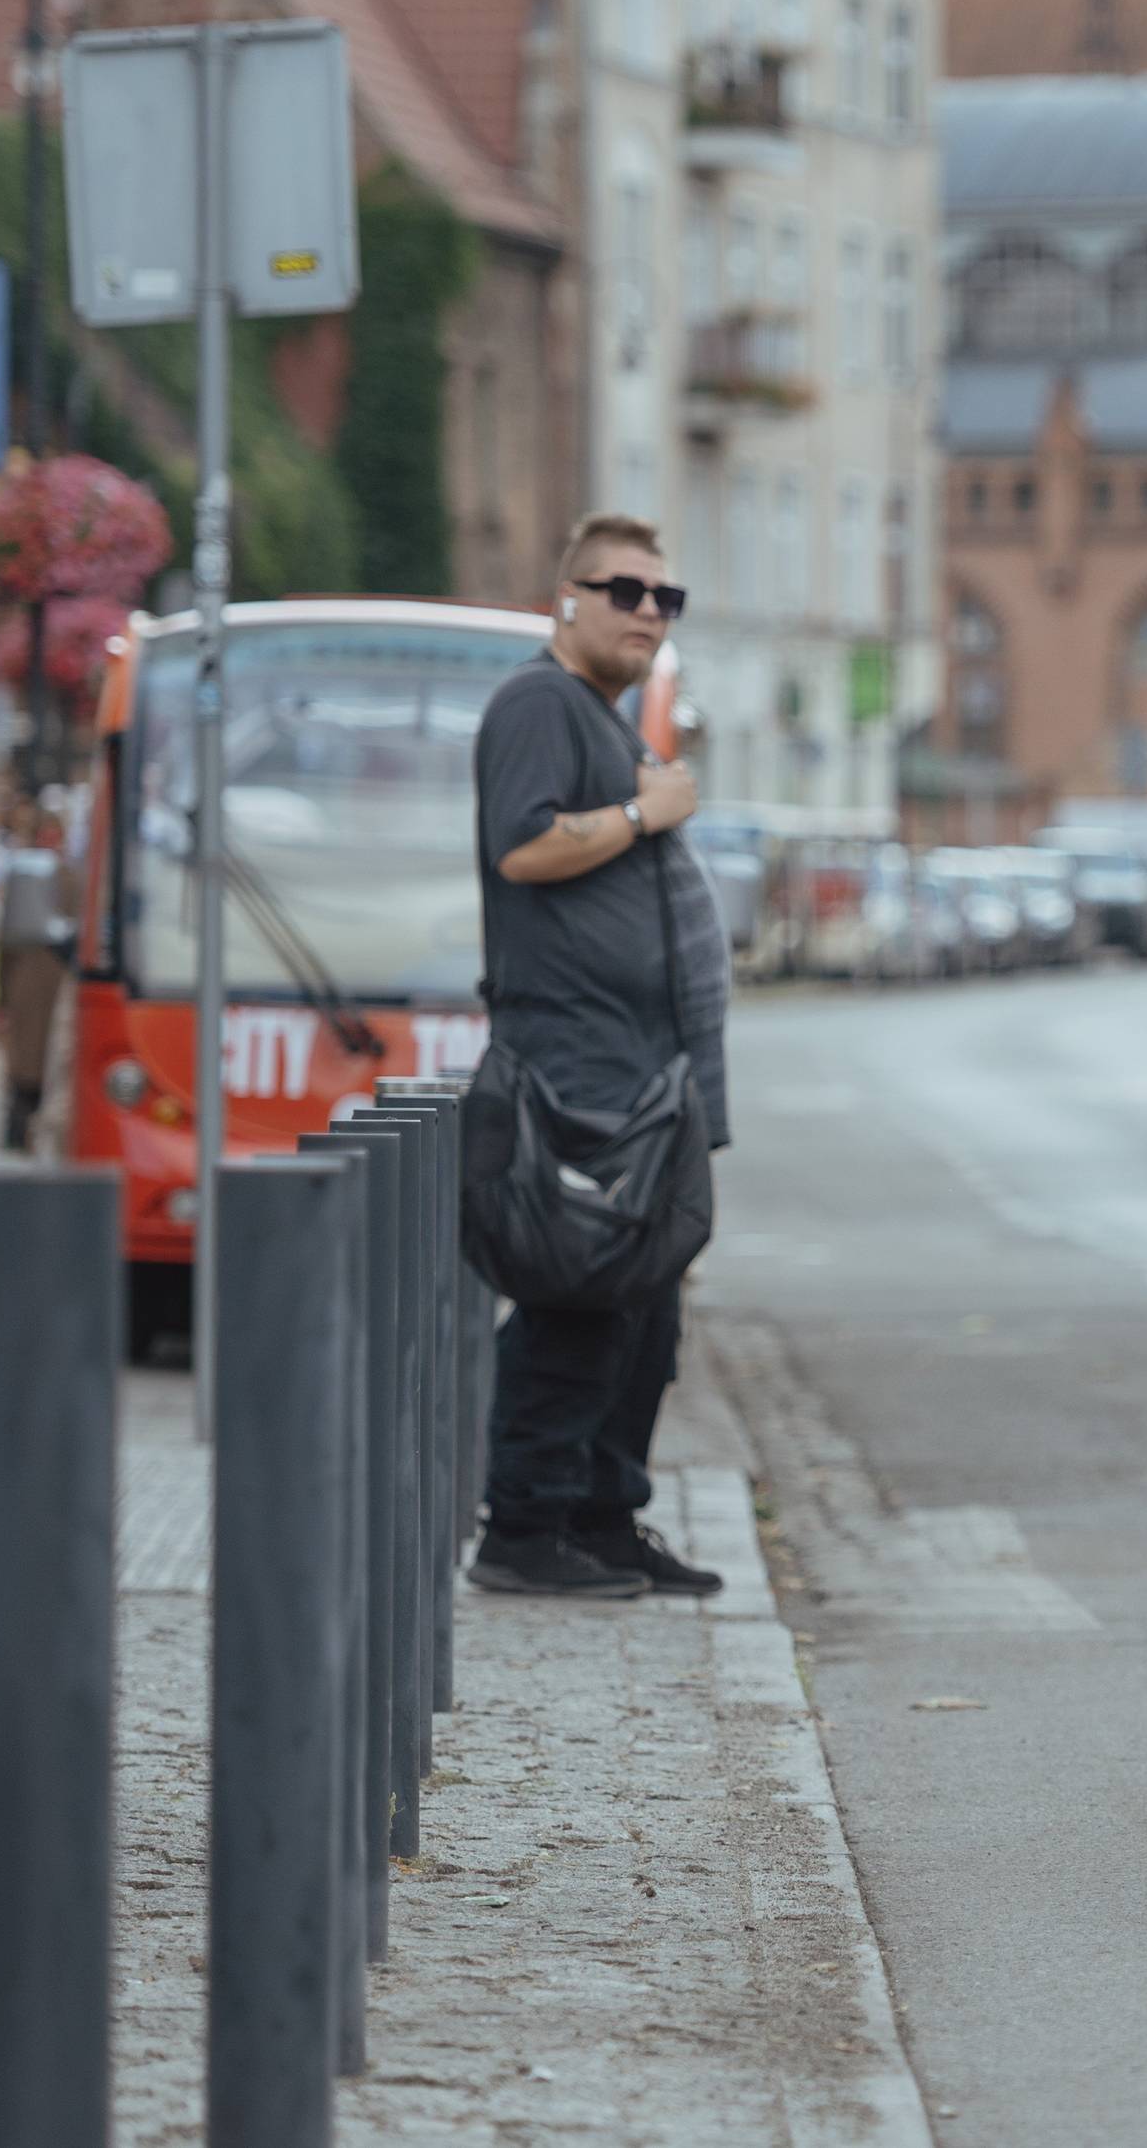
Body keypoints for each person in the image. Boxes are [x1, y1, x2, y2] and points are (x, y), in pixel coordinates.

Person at [468, 513, 732, 1604]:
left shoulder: (601, 713)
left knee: (646, 1307)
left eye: (664, 598)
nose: (645, 611)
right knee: (579, 1301)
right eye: (621, 589)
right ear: (563, 598)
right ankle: (524, 1527)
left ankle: (604, 1513)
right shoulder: (539, 703)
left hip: (643, 1075)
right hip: (580, 1072)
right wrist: (640, 808)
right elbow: (523, 846)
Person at [0, 794, 75, 1153]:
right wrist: (0, 995)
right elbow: (5, 940)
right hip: (27, 979)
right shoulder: (20, 875)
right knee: (24, 1061)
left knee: (51, 1056)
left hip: (60, 979)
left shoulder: (74, 875)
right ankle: (19, 1129)